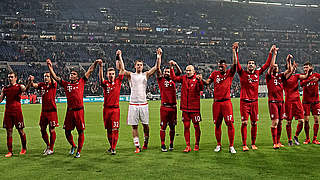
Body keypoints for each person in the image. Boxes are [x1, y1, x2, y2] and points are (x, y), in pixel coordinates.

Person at [47, 58, 99, 158]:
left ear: (77, 76)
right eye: (71, 74)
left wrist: (95, 63)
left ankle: (79, 151)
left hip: (79, 111)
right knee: (67, 132)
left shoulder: (82, 81)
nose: (71, 75)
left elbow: (90, 70)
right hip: (70, 111)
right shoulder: (66, 85)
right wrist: (50, 67)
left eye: (74, 74)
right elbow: (56, 78)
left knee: (80, 131)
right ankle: (73, 146)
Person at [237, 45, 276, 151]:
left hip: (254, 102)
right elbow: (237, 65)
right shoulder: (242, 73)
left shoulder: (258, 73)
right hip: (244, 102)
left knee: (254, 123)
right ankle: (244, 144)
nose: (250, 65)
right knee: (244, 123)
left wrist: (270, 52)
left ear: (255, 66)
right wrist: (236, 52)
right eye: (249, 63)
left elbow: (267, 64)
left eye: (252, 63)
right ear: (247, 66)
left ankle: (253, 144)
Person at [120, 49, 159, 153]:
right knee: (134, 126)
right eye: (138, 65)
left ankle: (146, 140)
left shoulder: (145, 74)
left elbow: (156, 68)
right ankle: (137, 146)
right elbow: (122, 69)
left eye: (141, 65)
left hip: (143, 104)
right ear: (135, 66)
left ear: (143, 66)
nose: (139, 66)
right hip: (133, 104)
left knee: (146, 125)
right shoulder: (131, 75)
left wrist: (159, 56)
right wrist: (119, 56)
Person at [203, 42, 238, 154]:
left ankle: (231, 146)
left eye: (222, 65)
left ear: (225, 66)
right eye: (219, 66)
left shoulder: (229, 73)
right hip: (216, 103)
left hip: (226, 102)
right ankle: (218, 144)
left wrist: (234, 51)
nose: (220, 67)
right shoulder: (214, 74)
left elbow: (235, 64)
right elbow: (207, 83)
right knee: (217, 124)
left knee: (229, 124)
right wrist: (201, 79)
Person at [170, 61, 204, 152]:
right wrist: (172, 67)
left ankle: (197, 144)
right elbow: (173, 78)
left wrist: (200, 80)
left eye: (189, 70)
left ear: (193, 71)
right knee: (186, 126)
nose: (187, 72)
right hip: (185, 108)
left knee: (196, 126)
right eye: (186, 70)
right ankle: (188, 145)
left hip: (195, 108)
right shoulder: (183, 78)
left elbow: (201, 88)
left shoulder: (197, 79)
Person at [98, 50, 125, 155]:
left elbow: (122, 69)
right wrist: (101, 67)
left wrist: (120, 56)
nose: (112, 75)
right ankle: (111, 146)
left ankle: (113, 148)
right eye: (110, 74)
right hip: (106, 109)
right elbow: (100, 78)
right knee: (109, 129)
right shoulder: (105, 84)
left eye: (113, 74)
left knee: (115, 129)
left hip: (115, 109)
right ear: (107, 74)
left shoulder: (118, 81)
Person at [156, 49, 182, 152]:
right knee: (163, 127)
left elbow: (180, 72)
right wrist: (159, 56)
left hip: (173, 107)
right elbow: (157, 68)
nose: (166, 73)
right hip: (164, 107)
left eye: (168, 71)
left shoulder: (174, 79)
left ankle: (171, 144)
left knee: (172, 127)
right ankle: (163, 144)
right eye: (165, 71)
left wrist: (175, 65)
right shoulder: (161, 80)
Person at [266, 51, 293, 149]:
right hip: (273, 102)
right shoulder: (269, 77)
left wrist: (288, 60)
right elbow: (271, 64)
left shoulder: (281, 76)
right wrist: (275, 54)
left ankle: (278, 141)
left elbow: (290, 70)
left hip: (281, 102)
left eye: (277, 66)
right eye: (274, 66)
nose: (275, 67)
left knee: (281, 122)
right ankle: (274, 143)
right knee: (275, 122)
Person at [29, 72, 58, 155]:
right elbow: (33, 85)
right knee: (42, 129)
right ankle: (48, 146)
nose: (46, 77)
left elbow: (54, 80)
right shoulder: (42, 85)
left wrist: (50, 68)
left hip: (52, 111)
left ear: (50, 77)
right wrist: (31, 81)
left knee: (51, 129)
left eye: (47, 76)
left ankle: (51, 148)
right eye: (44, 76)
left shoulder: (53, 85)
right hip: (44, 111)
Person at [282, 59, 310, 146]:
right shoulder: (284, 77)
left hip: (297, 101)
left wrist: (308, 72)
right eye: (290, 67)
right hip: (289, 102)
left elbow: (305, 77)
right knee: (289, 122)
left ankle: (296, 136)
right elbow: (288, 74)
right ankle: (290, 139)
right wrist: (289, 62)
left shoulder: (296, 76)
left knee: (301, 121)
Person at [0, 72, 28, 157]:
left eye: (12, 77)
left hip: (17, 112)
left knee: (20, 131)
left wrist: (29, 83)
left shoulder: (19, 87)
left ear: (16, 78)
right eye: (9, 77)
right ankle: (10, 151)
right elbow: (0, 99)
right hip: (8, 112)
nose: (10, 79)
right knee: (9, 132)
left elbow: (25, 89)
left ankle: (24, 148)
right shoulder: (5, 88)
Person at [299, 62, 320, 144]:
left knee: (316, 120)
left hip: (315, 102)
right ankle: (307, 138)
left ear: (311, 67)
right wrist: (309, 79)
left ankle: (315, 138)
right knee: (306, 121)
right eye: (304, 68)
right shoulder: (303, 76)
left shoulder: (317, 75)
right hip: (306, 102)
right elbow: (301, 84)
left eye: (306, 67)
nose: (305, 69)